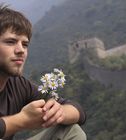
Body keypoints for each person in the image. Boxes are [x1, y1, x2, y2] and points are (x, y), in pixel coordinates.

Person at [0, 4, 86, 140]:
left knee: (71, 131)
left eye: (25, 44)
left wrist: (60, 112)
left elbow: (79, 111)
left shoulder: (19, 85)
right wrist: (21, 120)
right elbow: (21, 121)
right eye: (11, 42)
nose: (21, 50)